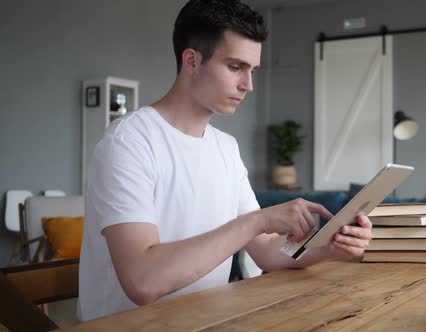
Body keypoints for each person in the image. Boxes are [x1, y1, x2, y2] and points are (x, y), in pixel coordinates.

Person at [78, 0, 372, 321]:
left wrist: (328, 247)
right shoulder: (129, 142)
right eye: (235, 67)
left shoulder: (225, 148)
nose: (248, 85)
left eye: (252, 70)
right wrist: (256, 221)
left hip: (206, 323)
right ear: (192, 60)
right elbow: (143, 281)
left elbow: (267, 253)